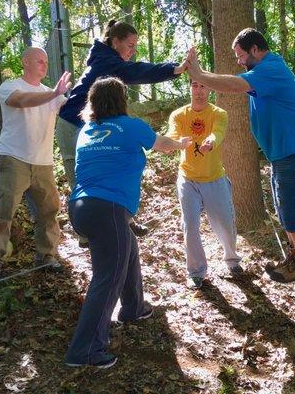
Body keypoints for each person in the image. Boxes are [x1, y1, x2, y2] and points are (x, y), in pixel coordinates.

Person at [64, 77, 191, 368]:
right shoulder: (130, 126)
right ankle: (84, 350)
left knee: (127, 247)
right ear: (121, 100)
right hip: (107, 210)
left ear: (93, 102)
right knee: (106, 278)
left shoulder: (87, 130)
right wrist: (182, 143)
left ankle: (133, 308)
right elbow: (163, 145)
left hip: (80, 208)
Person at [186, 28, 295, 282]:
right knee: (284, 202)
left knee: (292, 202)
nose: (239, 61)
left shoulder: (271, 68)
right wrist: (200, 72)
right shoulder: (264, 70)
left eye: (241, 55)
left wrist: (200, 74)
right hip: (284, 151)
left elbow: (234, 85)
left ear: (256, 49)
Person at [56, 19, 189, 242]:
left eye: (135, 46)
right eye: (130, 46)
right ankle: (87, 235)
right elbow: (137, 71)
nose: (133, 51)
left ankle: (123, 219)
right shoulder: (107, 63)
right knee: (81, 176)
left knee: (116, 166)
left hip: (91, 124)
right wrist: (173, 69)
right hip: (72, 124)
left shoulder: (108, 59)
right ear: (115, 41)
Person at [0, 47, 71, 281]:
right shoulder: (10, 86)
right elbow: (22, 101)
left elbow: (73, 111)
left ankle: (46, 256)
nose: (44, 65)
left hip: (44, 163)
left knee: (49, 212)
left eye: (46, 61)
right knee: (3, 211)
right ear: (25, 62)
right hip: (13, 158)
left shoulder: (52, 94)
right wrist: (54, 94)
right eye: (39, 61)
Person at [168, 80, 242, 289]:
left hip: (214, 178)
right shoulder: (179, 115)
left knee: (226, 224)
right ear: (189, 88)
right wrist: (173, 143)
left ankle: (232, 260)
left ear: (209, 89)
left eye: (203, 86)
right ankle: (196, 271)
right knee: (190, 225)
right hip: (188, 179)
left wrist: (210, 141)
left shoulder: (219, 113)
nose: (199, 91)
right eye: (194, 86)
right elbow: (172, 134)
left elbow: (217, 132)